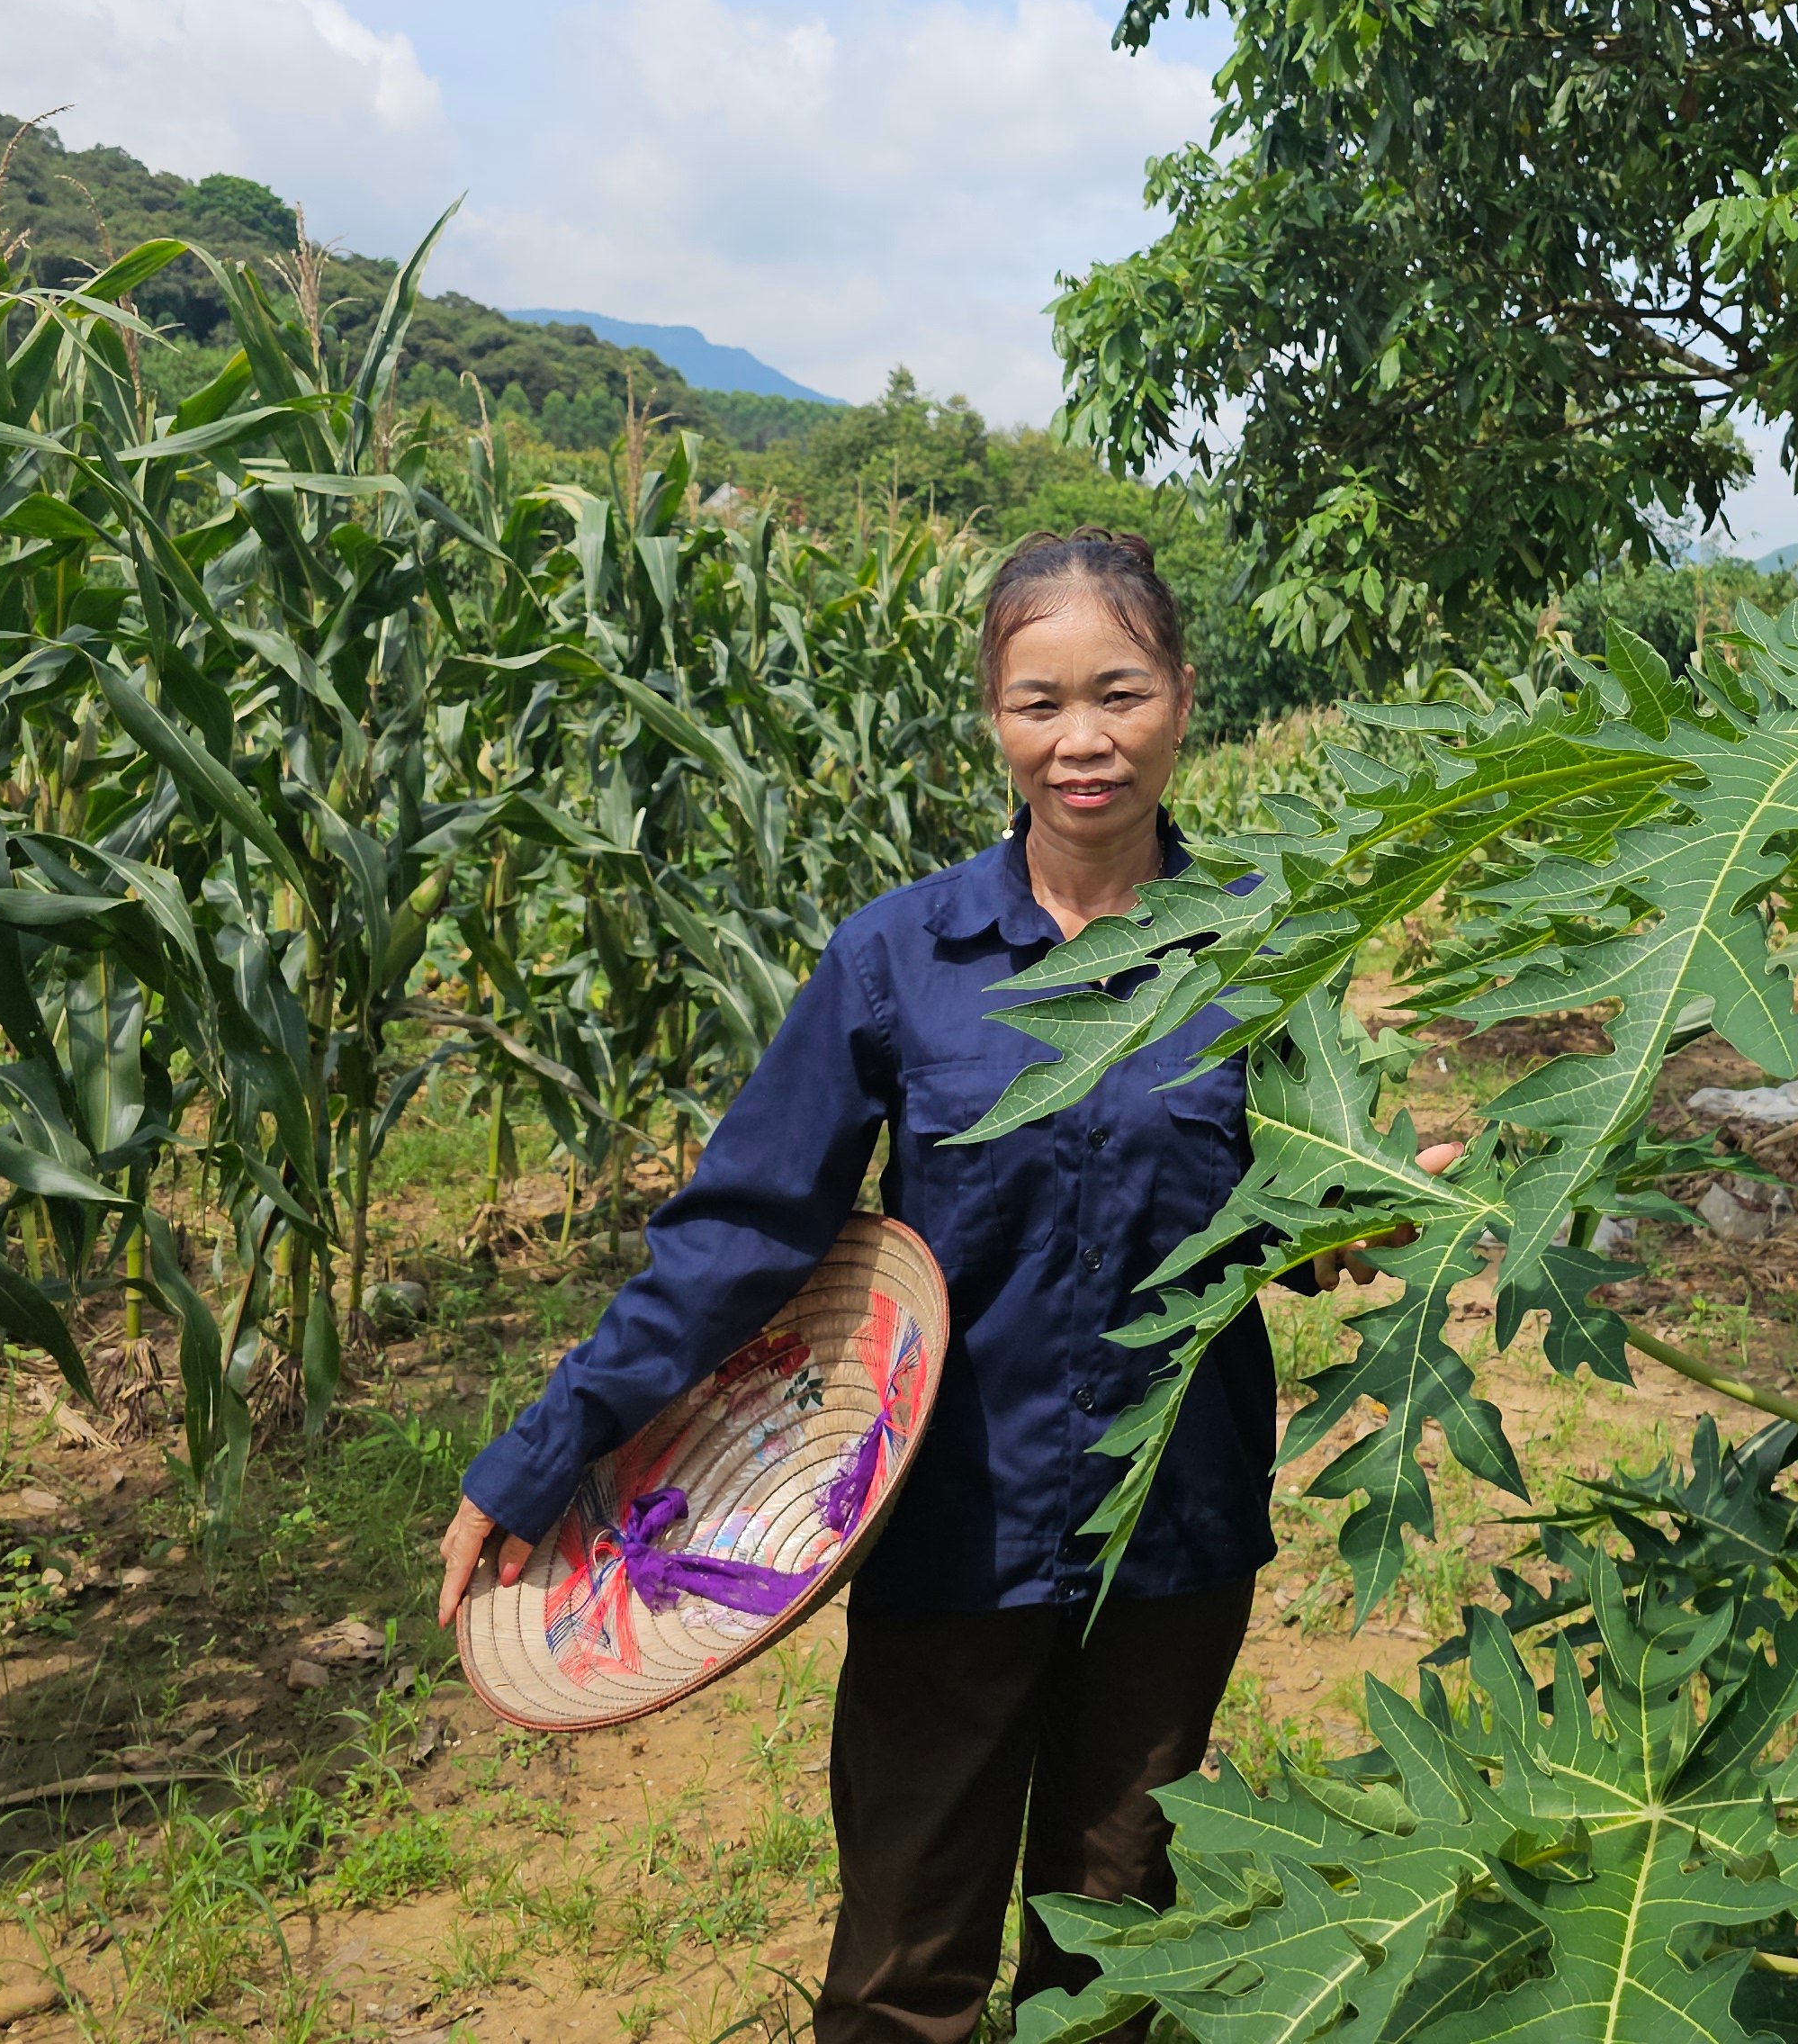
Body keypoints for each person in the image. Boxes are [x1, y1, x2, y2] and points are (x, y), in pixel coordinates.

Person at [432, 527, 1394, 2044]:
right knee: (905, 1965)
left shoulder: (1263, 951)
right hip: (950, 1525)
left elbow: (1306, 1201)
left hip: (1175, 1531)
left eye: (1120, 693)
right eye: (1038, 701)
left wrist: (1359, 1222)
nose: (1082, 741)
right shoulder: (901, 959)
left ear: (1185, 700)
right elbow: (740, 1234)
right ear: (993, 717)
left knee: (1113, 1948)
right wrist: (552, 1448)